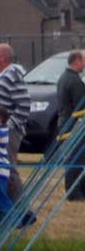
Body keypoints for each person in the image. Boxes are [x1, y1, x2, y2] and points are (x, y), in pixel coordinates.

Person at [0, 44, 31, 199]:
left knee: (8, 171)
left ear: (3, 58)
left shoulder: (12, 75)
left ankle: (21, 214)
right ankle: (9, 212)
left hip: (7, 134)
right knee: (2, 171)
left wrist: (7, 127)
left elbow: (24, 105)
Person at [55, 50, 85, 199]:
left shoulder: (63, 77)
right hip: (73, 125)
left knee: (74, 157)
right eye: (83, 61)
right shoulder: (74, 81)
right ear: (77, 61)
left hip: (64, 122)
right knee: (76, 158)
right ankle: (75, 192)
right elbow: (81, 106)